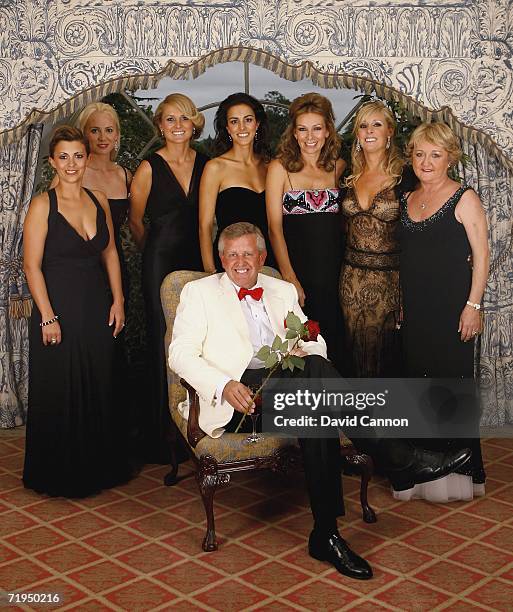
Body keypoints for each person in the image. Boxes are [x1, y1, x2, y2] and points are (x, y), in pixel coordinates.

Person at [169, 221, 472, 580]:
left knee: (314, 388)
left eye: (248, 253)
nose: (240, 261)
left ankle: (327, 534)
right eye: (232, 254)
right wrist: (224, 384)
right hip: (241, 402)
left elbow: (315, 342)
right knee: (316, 385)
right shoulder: (198, 293)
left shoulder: (280, 289)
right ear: (221, 259)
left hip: (291, 386)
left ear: (261, 256)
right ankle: (397, 457)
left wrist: (303, 349)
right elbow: (180, 356)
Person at [23, 126, 133, 497]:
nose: (72, 164)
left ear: (87, 158)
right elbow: (31, 266)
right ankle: (61, 473)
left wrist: (118, 300)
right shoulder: (42, 204)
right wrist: (47, 316)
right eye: (64, 157)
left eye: (78, 156)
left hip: (97, 303)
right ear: (52, 161)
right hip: (59, 306)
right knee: (63, 387)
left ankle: (101, 467)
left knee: (100, 380)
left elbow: (110, 252)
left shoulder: (98, 198)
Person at [397, 122, 489, 501]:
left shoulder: (464, 197)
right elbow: (409, 258)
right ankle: (423, 473)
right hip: (416, 310)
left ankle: (459, 475)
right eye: (419, 154)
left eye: (435, 154)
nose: (426, 161)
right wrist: (403, 302)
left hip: (453, 308)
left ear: (450, 157)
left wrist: (473, 305)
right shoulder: (406, 198)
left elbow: (482, 257)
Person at [129, 93, 208, 463]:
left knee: (197, 341)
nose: (177, 126)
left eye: (184, 119)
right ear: (160, 125)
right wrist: (155, 251)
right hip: (159, 261)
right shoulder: (149, 166)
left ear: (194, 124)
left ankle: (197, 427)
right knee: (165, 340)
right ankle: (163, 437)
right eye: (170, 119)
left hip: (197, 260)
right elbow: (135, 221)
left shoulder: (207, 164)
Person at [266, 93, 346, 371]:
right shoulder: (279, 168)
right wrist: (290, 279)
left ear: (327, 131)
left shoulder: (339, 167)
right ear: (294, 132)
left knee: (335, 341)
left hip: (335, 272)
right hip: (297, 271)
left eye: (316, 128)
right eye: (302, 129)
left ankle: (336, 410)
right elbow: (274, 229)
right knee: (302, 345)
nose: (309, 136)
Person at [339, 100, 405, 377]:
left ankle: (386, 417)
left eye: (376, 124)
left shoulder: (406, 175)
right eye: (363, 125)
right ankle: (358, 417)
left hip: (389, 283)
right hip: (350, 282)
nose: (369, 131)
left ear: (389, 131)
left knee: (387, 356)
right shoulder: (346, 175)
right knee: (353, 355)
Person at [52, 102, 132, 297]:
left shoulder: (125, 176)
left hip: (115, 266)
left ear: (117, 135)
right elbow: (52, 225)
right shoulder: (72, 173)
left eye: (109, 130)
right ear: (84, 134)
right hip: (76, 268)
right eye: (95, 130)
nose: (103, 137)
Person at [199, 92, 276, 273]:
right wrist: (210, 274)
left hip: (269, 261)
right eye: (234, 121)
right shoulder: (215, 168)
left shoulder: (270, 167)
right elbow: (204, 227)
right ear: (227, 127)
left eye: (248, 120)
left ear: (257, 124)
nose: (242, 127)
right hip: (231, 263)